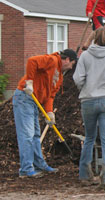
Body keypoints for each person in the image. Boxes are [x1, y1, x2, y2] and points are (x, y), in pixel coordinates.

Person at [13, 49, 77, 178]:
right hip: (24, 97)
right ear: (67, 60)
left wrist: (49, 113)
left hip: (34, 102)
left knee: (36, 135)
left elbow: (50, 96)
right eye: (72, 64)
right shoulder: (52, 60)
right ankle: (26, 169)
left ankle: (39, 164)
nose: (71, 67)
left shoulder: (59, 77)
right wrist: (29, 81)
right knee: (27, 135)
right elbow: (32, 61)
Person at [73, 27, 105, 188]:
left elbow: (77, 78)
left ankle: (84, 175)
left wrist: (85, 88)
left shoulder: (85, 56)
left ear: (94, 38)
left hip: (88, 101)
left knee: (89, 138)